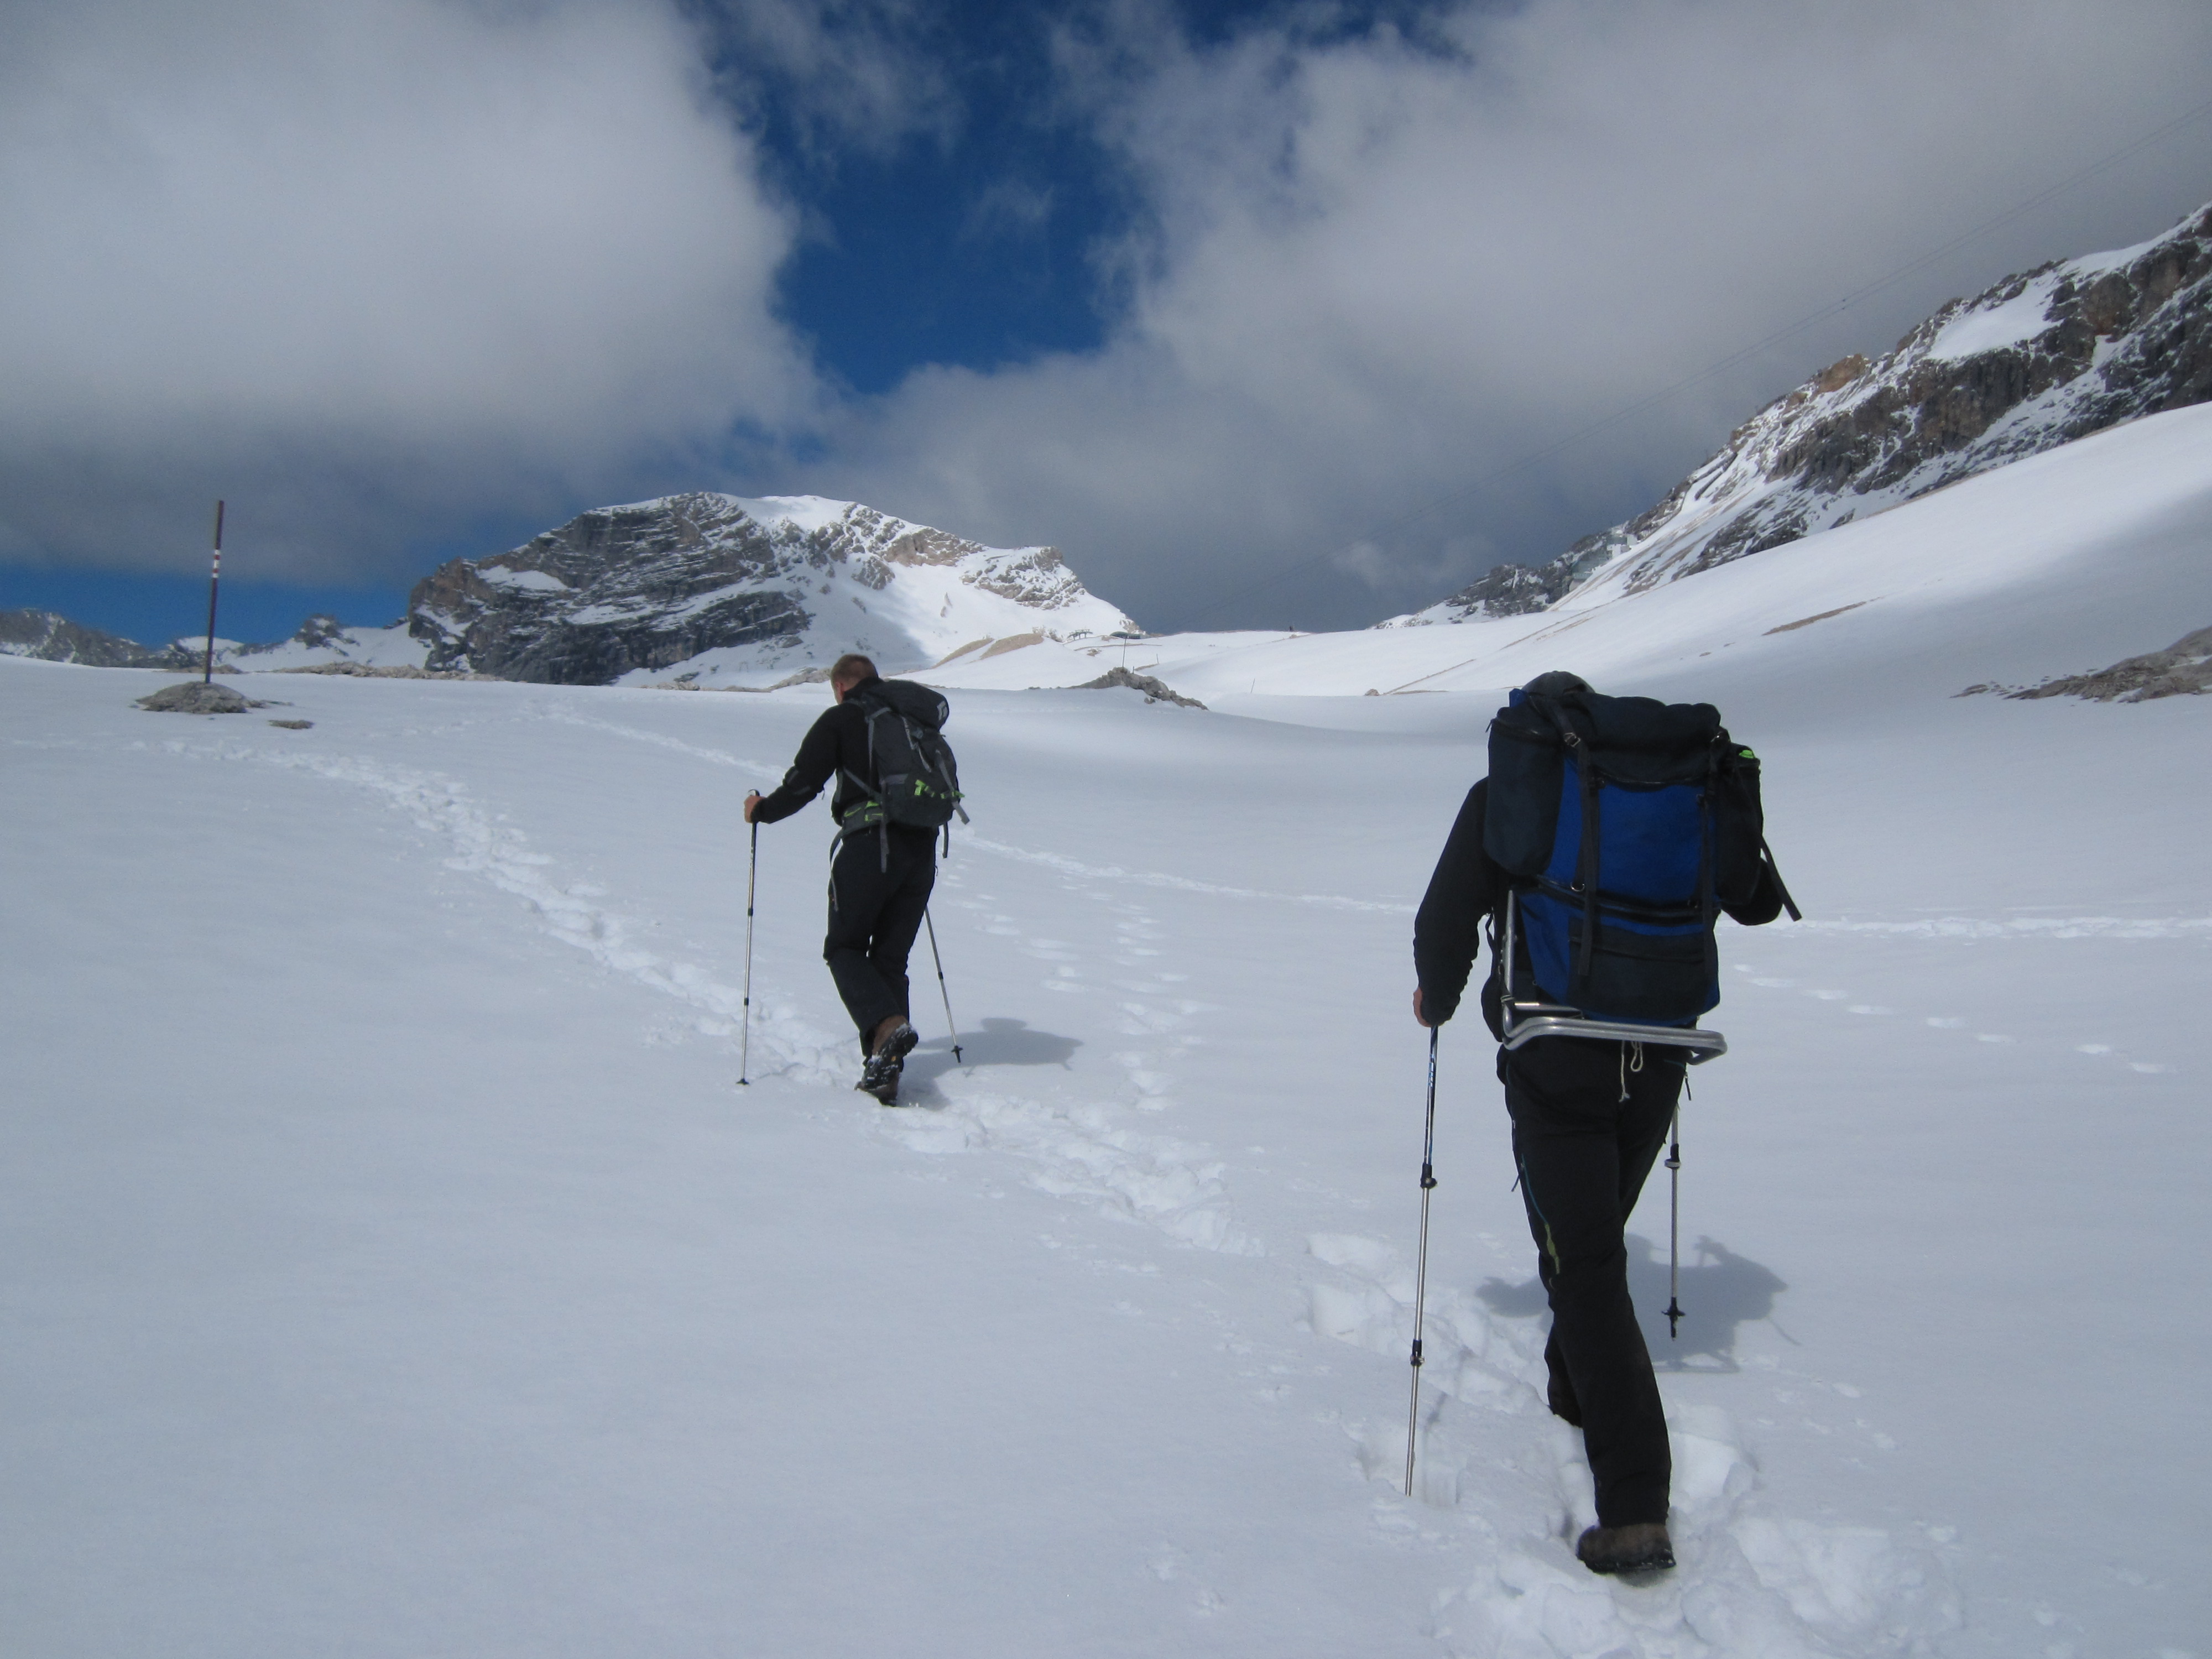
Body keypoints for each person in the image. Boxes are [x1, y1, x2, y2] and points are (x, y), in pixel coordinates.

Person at [1412, 671, 1785, 1577]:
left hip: (1556, 1049)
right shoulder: (1683, 787)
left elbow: (1445, 914)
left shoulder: (1516, 788)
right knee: (1590, 1243)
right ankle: (1573, 1387)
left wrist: (1438, 998)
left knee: (1583, 1261)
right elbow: (1755, 898)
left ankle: (1634, 1509)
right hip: (1661, 1047)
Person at [744, 654, 934, 1104]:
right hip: (922, 850)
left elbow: (803, 783)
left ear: (841, 687)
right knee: (890, 960)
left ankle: (886, 1027)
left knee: (844, 948)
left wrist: (762, 811)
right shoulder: (912, 720)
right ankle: (885, 1071)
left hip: (870, 845)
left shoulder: (842, 717)